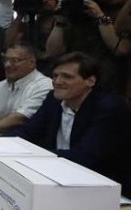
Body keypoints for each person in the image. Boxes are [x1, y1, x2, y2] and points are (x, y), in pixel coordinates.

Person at [10, 52, 130, 196]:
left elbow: (83, 157)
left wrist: (29, 155)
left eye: (67, 76)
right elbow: (27, 131)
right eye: (55, 76)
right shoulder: (53, 99)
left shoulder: (108, 107)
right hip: (58, 175)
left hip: (102, 187)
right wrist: (3, 147)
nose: (57, 81)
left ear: (90, 81)